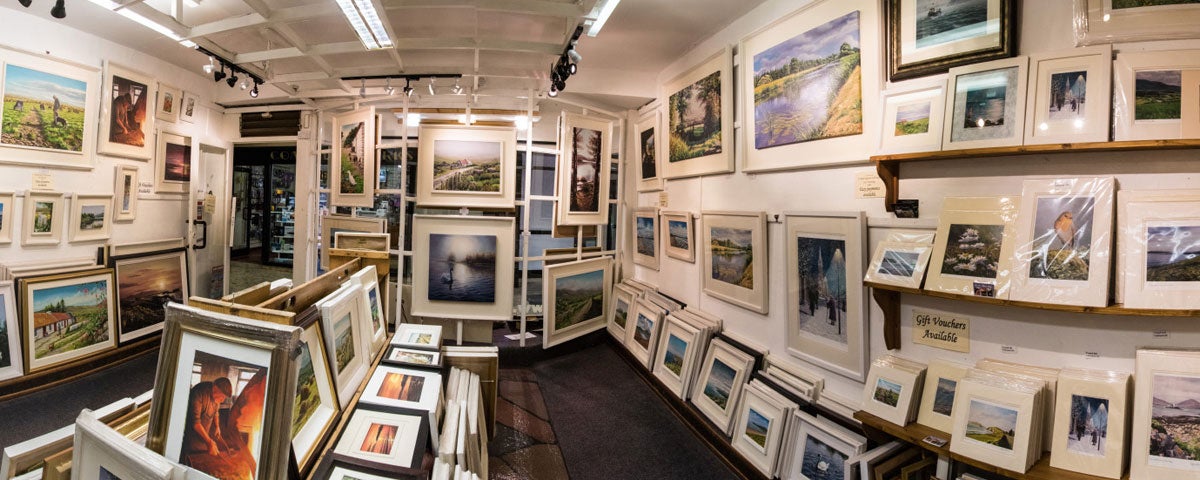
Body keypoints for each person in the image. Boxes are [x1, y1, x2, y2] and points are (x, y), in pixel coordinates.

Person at [180, 377, 234, 464]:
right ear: (216, 388)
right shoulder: (199, 393)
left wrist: (217, 426)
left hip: (204, 436)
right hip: (191, 438)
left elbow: (216, 412)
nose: (223, 400)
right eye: (222, 396)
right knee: (191, 460)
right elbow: (196, 423)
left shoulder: (217, 397)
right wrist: (209, 442)